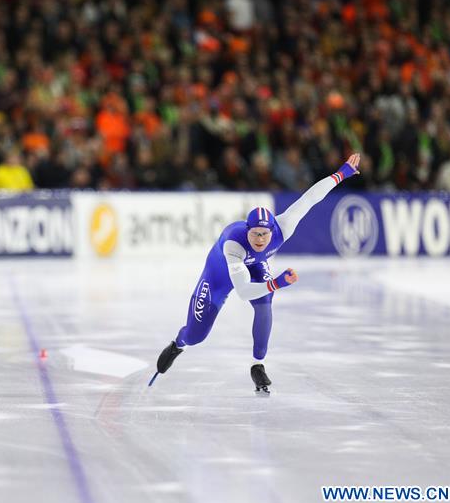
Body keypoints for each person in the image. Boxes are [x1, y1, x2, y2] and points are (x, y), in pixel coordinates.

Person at [150, 154, 362, 395]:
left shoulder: (284, 226)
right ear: (247, 230)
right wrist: (278, 283)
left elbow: (311, 198)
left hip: (253, 266)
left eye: (265, 235)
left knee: (264, 303)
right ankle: (179, 343)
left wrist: (342, 173)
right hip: (219, 275)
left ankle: (257, 364)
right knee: (196, 335)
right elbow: (242, 291)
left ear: (273, 230)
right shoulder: (234, 244)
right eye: (255, 235)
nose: (260, 240)